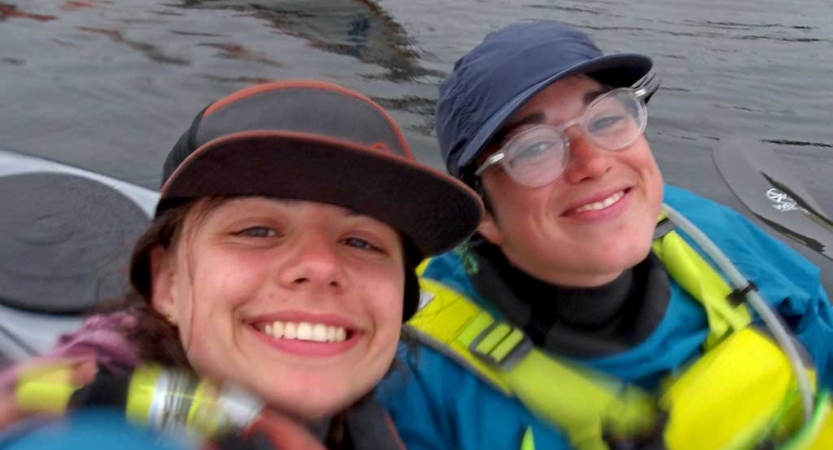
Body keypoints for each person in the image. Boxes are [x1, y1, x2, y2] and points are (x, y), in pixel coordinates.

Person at [377, 21, 833, 450]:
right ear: (482, 215)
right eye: (533, 148)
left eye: (608, 119)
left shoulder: (714, 238)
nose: (593, 163)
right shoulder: (414, 378)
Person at [0, 80, 483, 449]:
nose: (318, 265)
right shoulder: (89, 432)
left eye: (361, 241)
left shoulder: (373, 422)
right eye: (257, 231)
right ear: (167, 283)